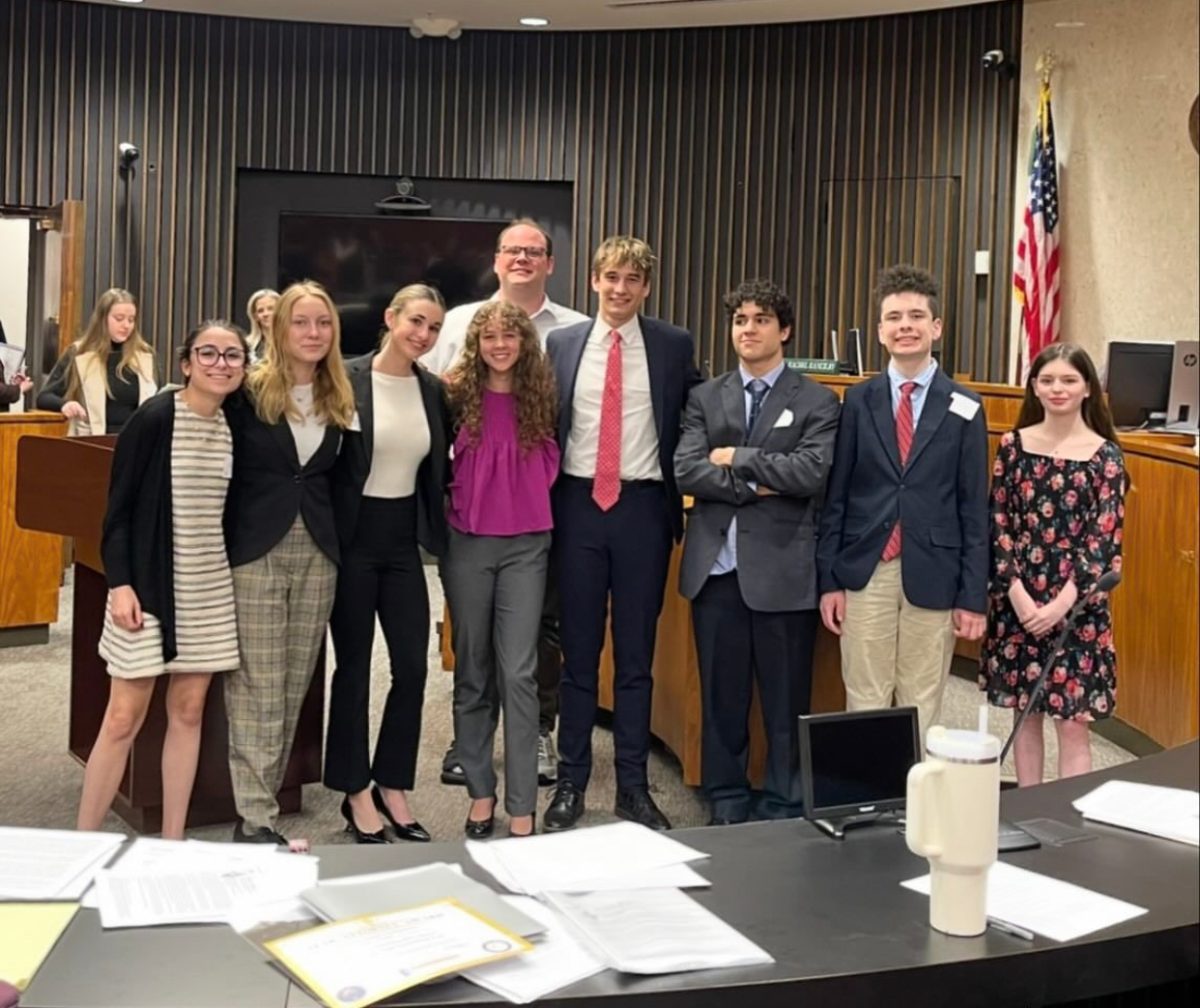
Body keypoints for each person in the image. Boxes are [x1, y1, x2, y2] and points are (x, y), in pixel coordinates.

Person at [543, 235, 702, 832]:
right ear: (593, 281)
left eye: (632, 279)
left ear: (646, 287)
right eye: (610, 277)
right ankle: (570, 784)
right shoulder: (561, 343)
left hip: (641, 510)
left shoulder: (671, 346)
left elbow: (694, 419)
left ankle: (632, 788)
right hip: (577, 508)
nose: (620, 289)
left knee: (636, 659)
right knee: (579, 655)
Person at [424, 219, 587, 789]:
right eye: (512, 250)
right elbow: (427, 417)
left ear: (550, 262)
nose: (523, 259)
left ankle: (532, 750)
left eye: (534, 251)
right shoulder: (458, 336)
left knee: (532, 649)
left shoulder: (572, 338)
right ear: (496, 259)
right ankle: (471, 762)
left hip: (534, 531)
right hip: (469, 532)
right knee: (471, 654)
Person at [675, 280, 840, 825]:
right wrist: (761, 482)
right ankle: (725, 796)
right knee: (722, 697)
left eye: (761, 320)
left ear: (784, 330)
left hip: (783, 572)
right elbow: (687, 469)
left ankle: (784, 800)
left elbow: (810, 473)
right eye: (741, 320)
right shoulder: (705, 396)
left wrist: (737, 458)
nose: (749, 329)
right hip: (717, 570)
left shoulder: (816, 400)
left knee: (785, 699)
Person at [77, 320, 248, 838]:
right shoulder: (155, 418)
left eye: (233, 355)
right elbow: (118, 512)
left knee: (189, 711)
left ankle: (172, 841)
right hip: (148, 587)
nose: (221, 364)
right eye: (208, 353)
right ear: (186, 362)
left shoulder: (238, 422)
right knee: (124, 716)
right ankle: (81, 841)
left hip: (209, 587)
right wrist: (120, 584)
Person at [817, 264, 988, 741]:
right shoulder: (857, 400)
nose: (905, 325)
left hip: (934, 569)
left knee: (921, 697)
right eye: (894, 317)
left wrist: (973, 595)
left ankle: (917, 807)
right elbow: (838, 496)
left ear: (936, 327)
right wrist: (830, 579)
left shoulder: (966, 406)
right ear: (880, 331)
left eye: (916, 316)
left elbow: (975, 509)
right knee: (865, 693)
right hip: (866, 566)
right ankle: (868, 803)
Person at [222, 280, 355, 844]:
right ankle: (254, 820)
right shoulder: (246, 391)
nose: (312, 333)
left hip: (318, 552)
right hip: (256, 549)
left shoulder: (341, 398)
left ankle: (264, 809)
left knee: (295, 682)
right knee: (258, 685)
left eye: (322, 323)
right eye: (301, 322)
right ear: (279, 328)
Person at [324, 284, 450, 844]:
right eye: (415, 322)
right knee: (352, 670)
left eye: (433, 328)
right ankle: (354, 792)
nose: (422, 335)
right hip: (352, 542)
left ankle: (392, 784)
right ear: (390, 318)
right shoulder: (345, 378)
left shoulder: (432, 390)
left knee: (413, 669)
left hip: (403, 546)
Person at [980, 343, 1126, 785]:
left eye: (1068, 380)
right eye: (1047, 380)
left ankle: (1066, 825)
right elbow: (998, 522)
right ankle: (1028, 808)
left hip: (1077, 608)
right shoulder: (1013, 446)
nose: (1057, 389)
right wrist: (1019, 597)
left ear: (1087, 389)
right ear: (1034, 388)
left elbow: (1103, 541)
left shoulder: (1107, 457)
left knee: (1072, 722)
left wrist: (1061, 606)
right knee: (1025, 716)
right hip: (1019, 600)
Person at [442, 301, 560, 839]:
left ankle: (521, 806)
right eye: (489, 337)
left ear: (523, 342)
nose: (499, 345)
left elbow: (557, 455)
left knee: (519, 672)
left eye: (508, 336)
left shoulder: (542, 395)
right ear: (477, 343)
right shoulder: (454, 394)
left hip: (527, 544)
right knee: (472, 669)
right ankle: (480, 793)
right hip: (468, 542)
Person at [37, 288, 156, 435]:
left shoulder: (145, 355)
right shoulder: (79, 353)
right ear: (103, 318)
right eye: (119, 319)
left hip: (137, 443)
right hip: (93, 442)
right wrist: (65, 404)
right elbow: (44, 397)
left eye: (131, 320)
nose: (126, 325)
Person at [245, 288, 280, 364]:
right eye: (260, 311)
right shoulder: (248, 345)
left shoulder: (292, 342)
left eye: (271, 309)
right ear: (255, 316)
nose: (266, 314)